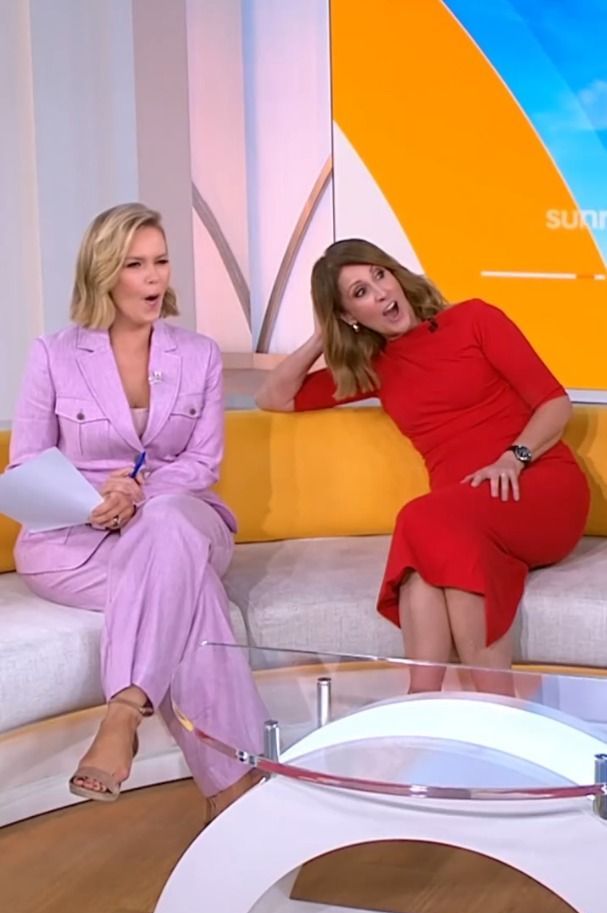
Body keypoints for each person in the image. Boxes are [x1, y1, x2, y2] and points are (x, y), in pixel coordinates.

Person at [9, 203, 265, 809]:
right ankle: (236, 795)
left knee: (168, 524)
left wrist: (138, 492)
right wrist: (91, 500)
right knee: (191, 596)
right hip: (75, 542)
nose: (154, 278)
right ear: (103, 272)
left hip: (180, 517)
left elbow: (203, 461)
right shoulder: (53, 354)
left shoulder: (198, 354)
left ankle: (124, 710)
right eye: (134, 264)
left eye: (161, 261)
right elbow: (26, 464)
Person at [255, 239, 590, 691]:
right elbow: (273, 397)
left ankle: (486, 706)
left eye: (379, 275)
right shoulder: (374, 367)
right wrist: (322, 335)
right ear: (350, 316)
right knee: (429, 559)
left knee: (421, 520)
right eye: (360, 293)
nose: (380, 292)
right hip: (461, 514)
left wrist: (514, 458)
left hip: (535, 484)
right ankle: (427, 704)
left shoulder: (474, 319)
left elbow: (554, 403)